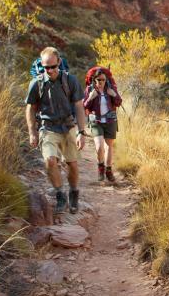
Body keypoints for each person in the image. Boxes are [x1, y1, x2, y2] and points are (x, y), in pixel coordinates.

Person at [25, 47, 87, 214]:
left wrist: (82, 131)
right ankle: (60, 194)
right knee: (50, 161)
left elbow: (79, 107)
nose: (50, 70)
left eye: (52, 66)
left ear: (59, 62)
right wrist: (32, 132)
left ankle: (74, 192)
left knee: (72, 164)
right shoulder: (36, 83)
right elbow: (30, 109)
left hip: (68, 127)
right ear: (42, 66)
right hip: (48, 127)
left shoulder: (70, 81)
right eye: (46, 67)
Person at [83, 68, 122, 182]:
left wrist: (113, 94)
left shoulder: (111, 88)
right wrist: (91, 97)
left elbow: (119, 102)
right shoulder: (90, 89)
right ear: (94, 80)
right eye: (99, 80)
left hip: (110, 120)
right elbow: (84, 105)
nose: (101, 82)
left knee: (108, 146)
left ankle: (108, 171)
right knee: (99, 146)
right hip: (96, 120)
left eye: (103, 80)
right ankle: (101, 167)